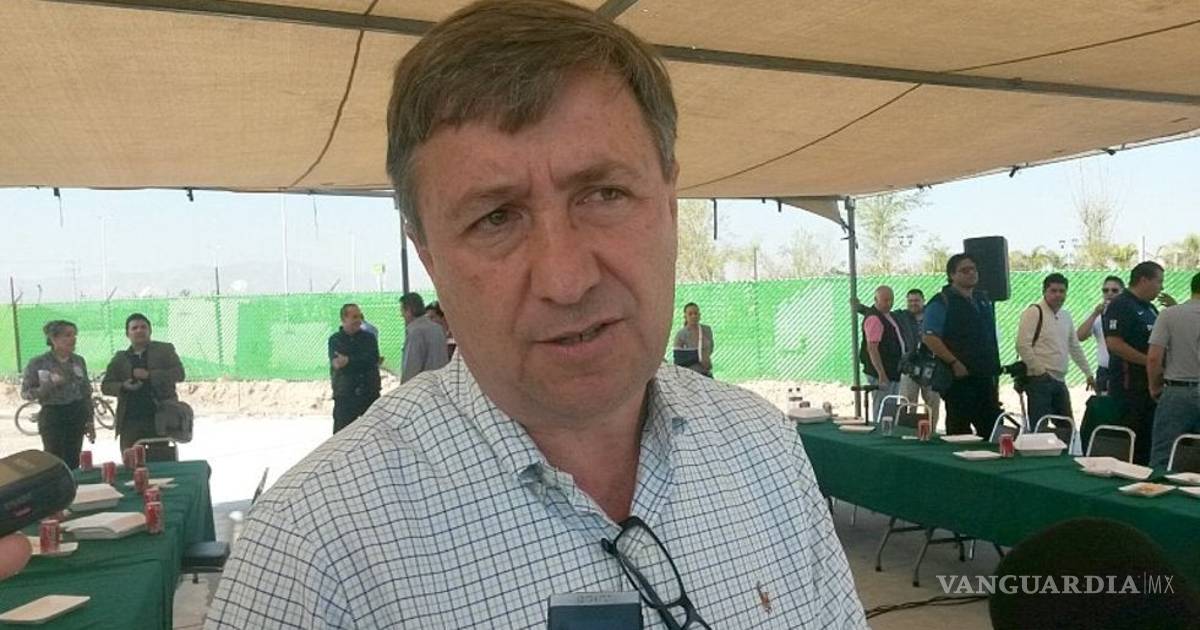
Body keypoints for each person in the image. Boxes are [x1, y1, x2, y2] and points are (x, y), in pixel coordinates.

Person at [207, 2, 865, 627]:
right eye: (496, 218)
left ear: (668, 204)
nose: (566, 279)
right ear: (429, 257)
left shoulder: (764, 450)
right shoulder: (312, 552)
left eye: (604, 193)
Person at [922, 253, 1002, 438]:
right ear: (952, 275)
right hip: (958, 379)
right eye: (965, 270)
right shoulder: (941, 301)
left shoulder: (983, 300)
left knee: (991, 431)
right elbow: (929, 337)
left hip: (984, 377)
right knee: (959, 432)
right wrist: (954, 362)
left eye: (973, 269)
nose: (971, 273)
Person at [1104, 261, 1169, 464]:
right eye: (1159, 282)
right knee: (1132, 444)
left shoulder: (1151, 308)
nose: (1161, 287)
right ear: (1144, 280)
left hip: (1151, 387)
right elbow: (1114, 344)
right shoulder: (1121, 305)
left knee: (1148, 443)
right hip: (1128, 389)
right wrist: (1148, 362)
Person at [1015, 273, 1093, 426]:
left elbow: (1074, 346)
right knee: (1039, 427)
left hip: (1060, 379)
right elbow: (1022, 345)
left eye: (1062, 291)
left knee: (1066, 427)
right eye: (1053, 291)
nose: (1058, 295)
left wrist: (1088, 373)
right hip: (1039, 380)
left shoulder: (1066, 316)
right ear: (1044, 291)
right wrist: (1040, 371)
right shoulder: (1034, 312)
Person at [101, 313, 186, 451]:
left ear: (150, 331)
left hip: (161, 416)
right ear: (127, 334)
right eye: (134, 328)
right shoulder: (120, 358)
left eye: (143, 327)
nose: (139, 330)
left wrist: (150, 375)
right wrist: (123, 386)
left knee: (161, 457)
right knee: (131, 459)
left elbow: (179, 374)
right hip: (130, 420)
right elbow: (106, 386)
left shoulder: (165, 350)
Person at [855, 288, 940, 425]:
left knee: (932, 402)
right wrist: (859, 307)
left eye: (916, 300)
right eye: (910, 301)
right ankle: (907, 430)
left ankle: (930, 430)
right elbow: (878, 315)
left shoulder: (932, 316)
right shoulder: (901, 316)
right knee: (906, 403)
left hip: (931, 366)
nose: (913, 304)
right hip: (909, 366)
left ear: (923, 301)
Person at [20, 320, 94, 469]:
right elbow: (26, 393)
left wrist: (90, 420)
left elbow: (86, 392)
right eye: (67, 335)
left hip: (76, 413)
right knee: (54, 461)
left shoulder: (78, 361)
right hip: (53, 415)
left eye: (74, 335)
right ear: (53, 339)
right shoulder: (39, 362)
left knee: (73, 459)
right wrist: (45, 388)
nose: (73, 339)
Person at [1146, 272, 1200, 469]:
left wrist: (1154, 386)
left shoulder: (1170, 315)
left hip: (1178, 391)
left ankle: (1158, 486)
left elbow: (1154, 357)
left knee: (1164, 456)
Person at [327, 303, 381, 434]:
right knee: (342, 436)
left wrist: (349, 361)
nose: (358, 320)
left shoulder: (369, 338)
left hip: (369, 394)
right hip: (345, 396)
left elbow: (372, 360)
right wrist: (357, 361)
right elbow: (338, 364)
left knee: (374, 434)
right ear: (344, 319)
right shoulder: (335, 340)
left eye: (360, 316)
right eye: (354, 317)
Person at [859, 286, 904, 420]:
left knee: (890, 406)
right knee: (882, 407)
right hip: (883, 373)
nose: (889, 303)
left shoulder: (887, 315)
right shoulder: (874, 319)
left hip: (891, 371)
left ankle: (887, 428)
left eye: (891, 300)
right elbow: (872, 348)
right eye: (885, 300)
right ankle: (881, 429)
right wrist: (881, 374)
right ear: (876, 300)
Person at [1076, 275, 1125, 394]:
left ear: (1122, 292)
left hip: (1125, 369)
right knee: (1104, 403)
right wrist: (1095, 314)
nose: (1109, 293)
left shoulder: (1129, 312)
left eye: (1114, 290)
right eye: (1105, 290)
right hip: (1105, 370)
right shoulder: (1098, 314)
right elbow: (1080, 336)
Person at [399, 292, 450, 383]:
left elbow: (411, 368)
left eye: (402, 310)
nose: (401, 315)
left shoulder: (415, 332)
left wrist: (404, 388)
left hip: (422, 386)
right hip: (442, 383)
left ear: (409, 311)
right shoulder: (438, 328)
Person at [673, 302, 714, 376]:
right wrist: (698, 356)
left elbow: (710, 349)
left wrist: (705, 358)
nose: (693, 316)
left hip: (705, 372)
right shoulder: (681, 334)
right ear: (685, 316)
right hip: (690, 375)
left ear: (699, 315)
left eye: (696, 313)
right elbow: (678, 360)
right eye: (690, 314)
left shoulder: (707, 330)